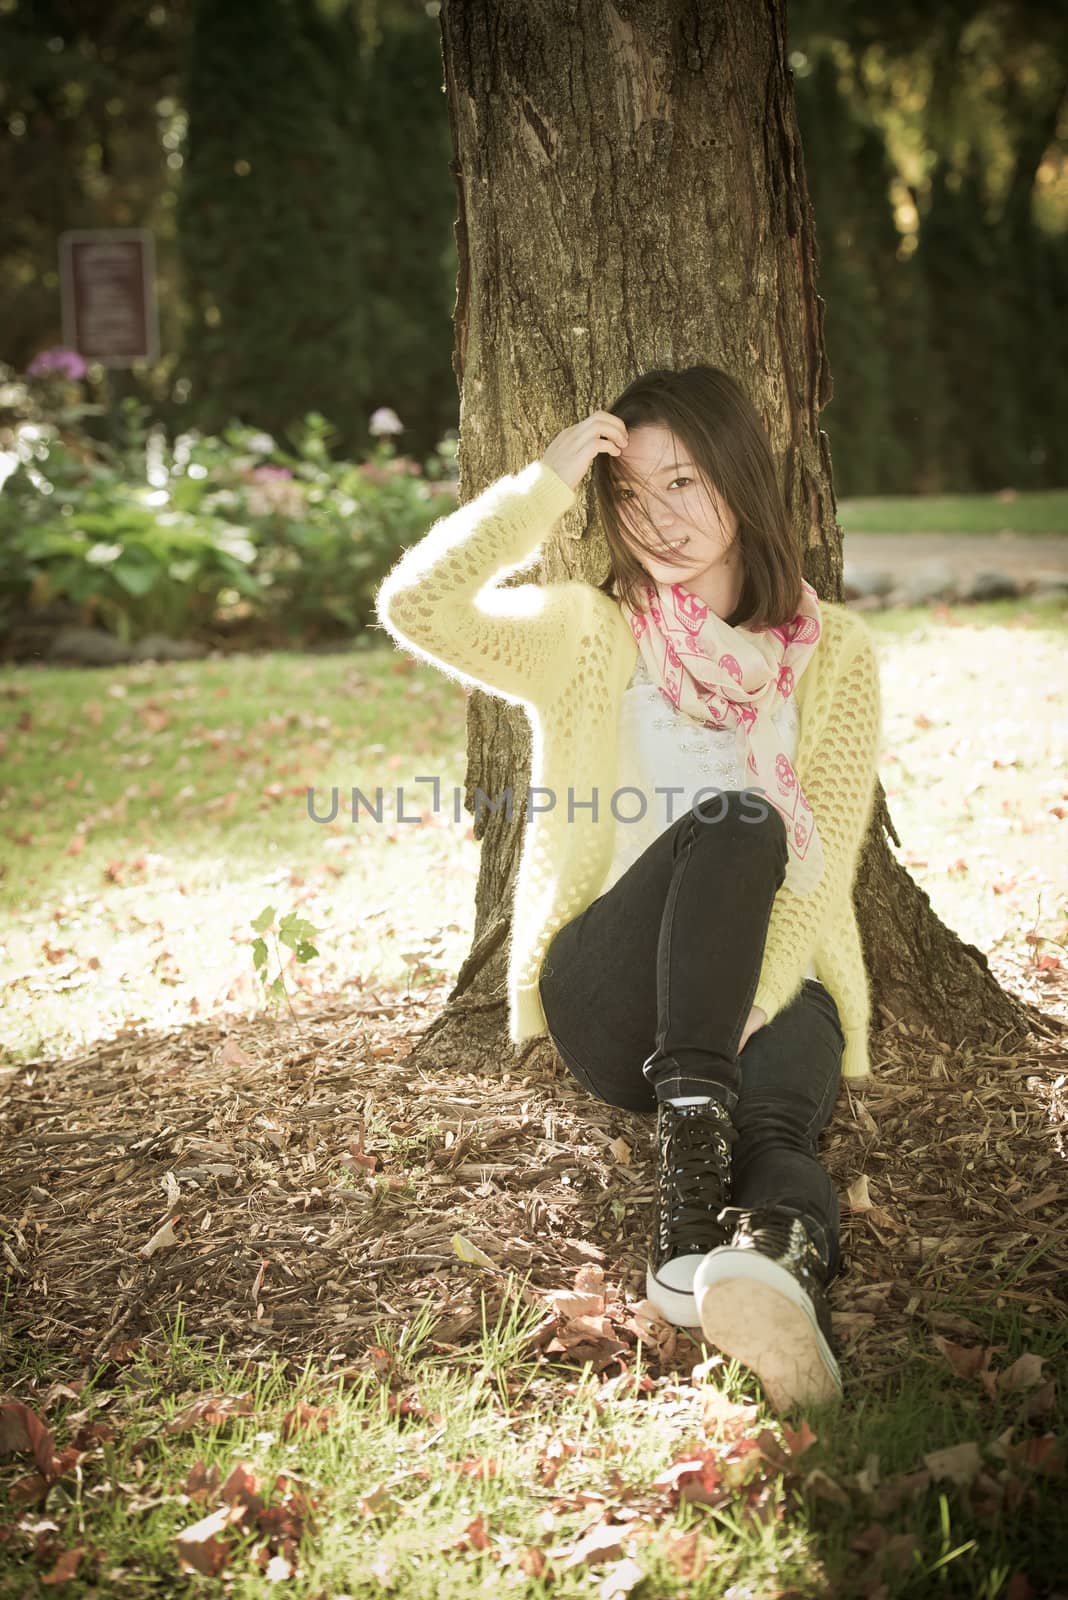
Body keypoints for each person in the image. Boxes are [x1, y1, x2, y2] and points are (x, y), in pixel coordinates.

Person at [374, 365, 882, 1413]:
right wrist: (544, 486)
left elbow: (824, 852)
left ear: (740, 480)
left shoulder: (837, 655)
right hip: (617, 993)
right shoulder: (589, 632)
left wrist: (754, 997)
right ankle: (685, 1213)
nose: (658, 519)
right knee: (741, 819)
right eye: (632, 494)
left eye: (684, 483)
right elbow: (416, 605)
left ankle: (779, 1271)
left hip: (776, 978)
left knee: (780, 1135)